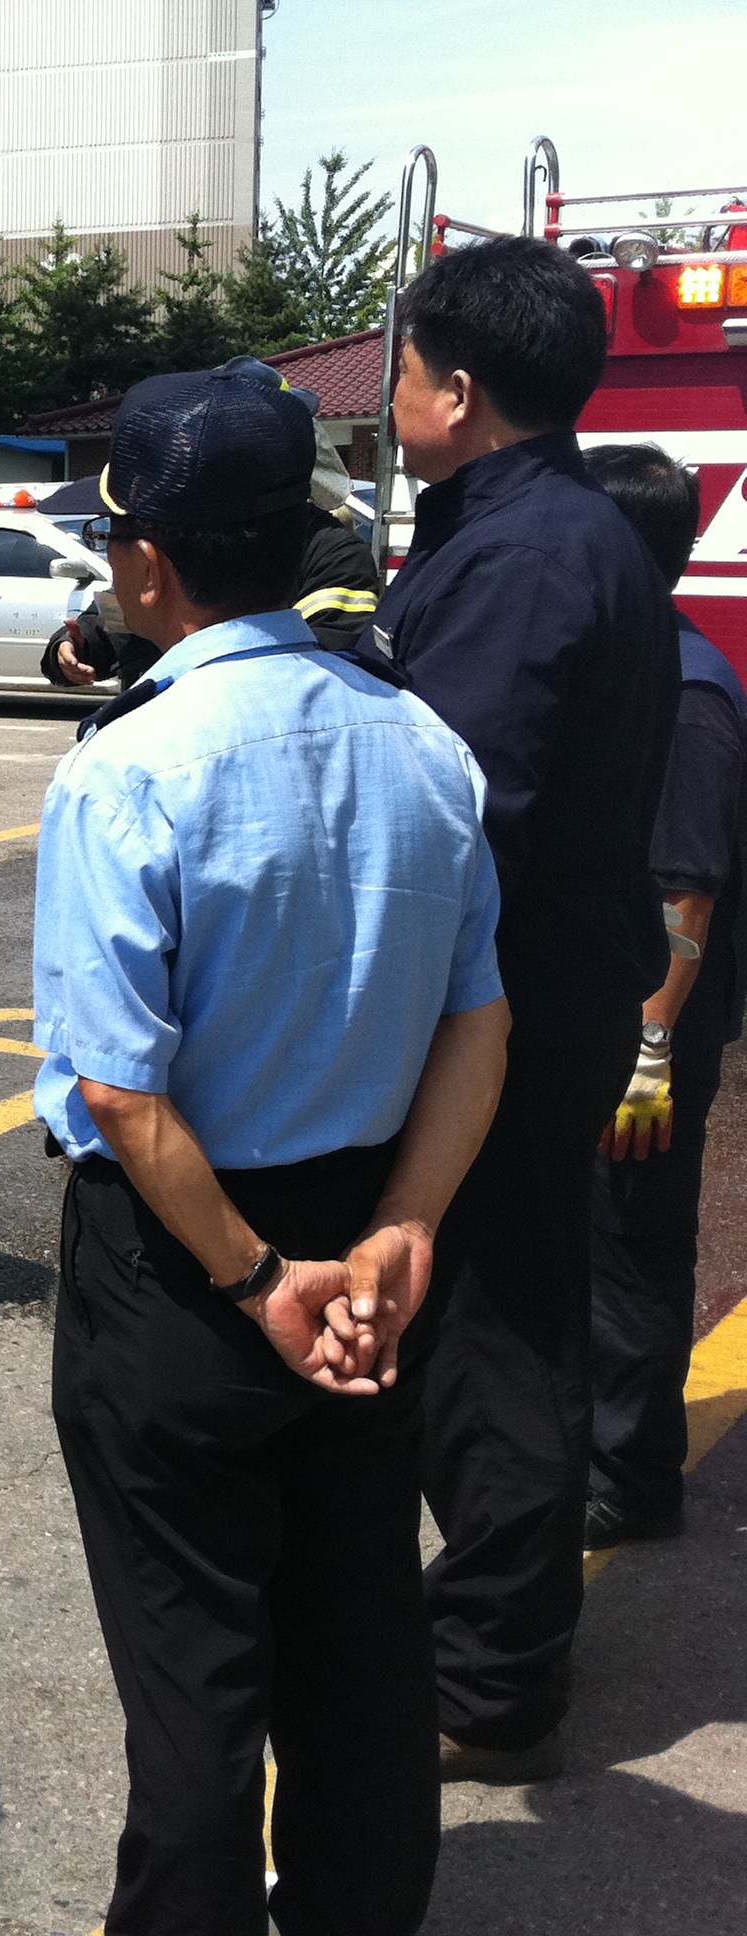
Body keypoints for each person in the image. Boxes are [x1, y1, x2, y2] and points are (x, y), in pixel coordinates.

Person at [36, 366, 511, 1934]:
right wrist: (405, 1230)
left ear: (149, 564)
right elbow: (479, 1020)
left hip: (186, 1264)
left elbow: (122, 1092)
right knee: (361, 1636)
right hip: (368, 1234)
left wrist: (255, 1281)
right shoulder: (425, 742)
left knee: (194, 1674)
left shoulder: (130, 764)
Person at [371, 236, 681, 1784]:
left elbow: (451, 824)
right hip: (551, 995)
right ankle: (506, 1631)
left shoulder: (521, 559)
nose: (393, 396)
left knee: (488, 1342)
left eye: (403, 370)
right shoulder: (547, 531)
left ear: (459, 389)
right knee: (507, 1324)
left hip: (503, 1017)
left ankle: (493, 1684)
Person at [583, 444, 746, 1549]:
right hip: (618, 1019)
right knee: (598, 1246)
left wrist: (648, 1048)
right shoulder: (645, 662)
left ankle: (632, 1477)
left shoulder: (686, 695)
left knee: (632, 1249)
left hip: (652, 1034)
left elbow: (685, 888)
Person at [44, 356, 380, 689]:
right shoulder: (173, 530)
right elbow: (121, 611)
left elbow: (333, 653)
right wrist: (77, 644)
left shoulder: (331, 551)